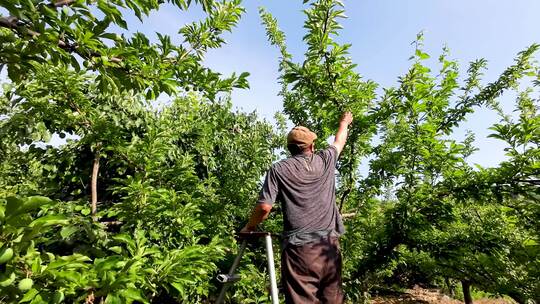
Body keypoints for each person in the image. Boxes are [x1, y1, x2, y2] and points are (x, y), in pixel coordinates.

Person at [241, 112, 353, 304]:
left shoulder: (279, 169)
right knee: (333, 300)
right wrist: (344, 122)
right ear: (311, 146)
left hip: (300, 251)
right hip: (329, 248)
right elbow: (339, 141)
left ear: (290, 148)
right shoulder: (325, 160)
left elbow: (264, 208)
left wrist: (249, 227)